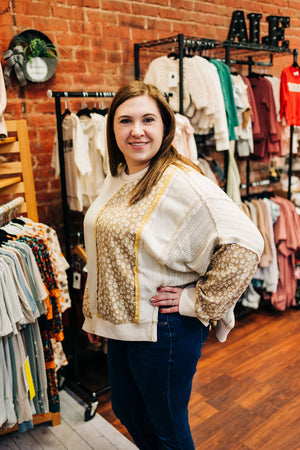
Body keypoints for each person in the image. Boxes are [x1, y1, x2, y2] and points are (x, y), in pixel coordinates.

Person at [82, 80, 264, 450]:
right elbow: (104, 247)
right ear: (112, 128)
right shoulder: (118, 177)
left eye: (148, 119)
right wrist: (94, 311)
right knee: (129, 411)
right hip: (122, 326)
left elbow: (247, 242)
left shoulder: (179, 180)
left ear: (165, 127)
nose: (136, 131)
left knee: (166, 427)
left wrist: (194, 301)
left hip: (163, 328)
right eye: (125, 121)